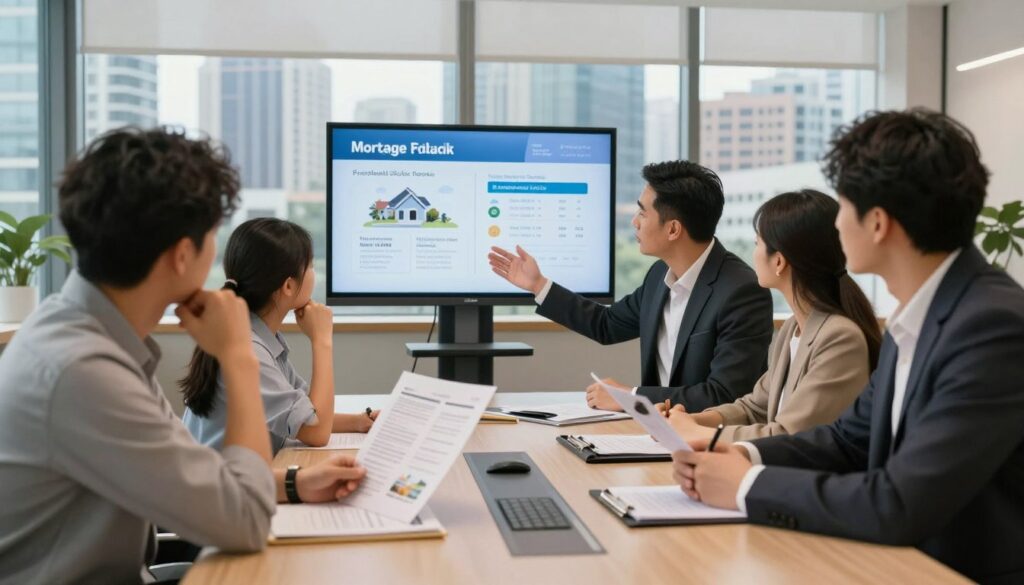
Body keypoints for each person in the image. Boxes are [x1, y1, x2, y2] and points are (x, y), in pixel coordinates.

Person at [0, 128, 366, 585]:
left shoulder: (91, 336)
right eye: (213, 234)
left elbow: (195, 474)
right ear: (182, 254)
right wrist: (236, 355)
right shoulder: (82, 371)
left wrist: (293, 483)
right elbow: (246, 520)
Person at [672, 109, 1024, 584]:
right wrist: (744, 457)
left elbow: (900, 502)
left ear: (877, 223)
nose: (835, 226)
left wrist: (747, 484)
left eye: (842, 207)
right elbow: (845, 440)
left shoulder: (990, 325)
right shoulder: (920, 314)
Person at [488, 161, 773, 412]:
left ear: (673, 229)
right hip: (657, 435)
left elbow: (725, 395)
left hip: (709, 444)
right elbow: (607, 324)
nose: (634, 222)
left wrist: (630, 396)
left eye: (642, 213)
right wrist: (538, 285)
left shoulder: (741, 292)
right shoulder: (660, 274)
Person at [665, 189, 881, 443]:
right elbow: (754, 408)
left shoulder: (839, 337)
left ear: (779, 262)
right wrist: (696, 419)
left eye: (757, 244)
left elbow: (788, 435)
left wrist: (700, 434)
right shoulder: (793, 328)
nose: (753, 254)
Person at [181, 218, 377, 454]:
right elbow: (317, 432)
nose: (315, 274)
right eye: (311, 266)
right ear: (288, 286)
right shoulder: (252, 349)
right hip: (224, 486)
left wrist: (359, 421)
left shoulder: (259, 338)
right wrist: (322, 341)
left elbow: (308, 416)